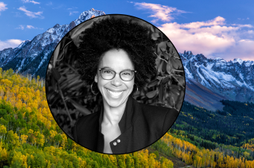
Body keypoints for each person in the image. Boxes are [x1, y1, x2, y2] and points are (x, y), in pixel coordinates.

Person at [73, 16, 179, 154]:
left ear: (135, 77)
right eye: (108, 71)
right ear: (95, 76)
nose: (116, 82)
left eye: (126, 73)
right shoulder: (82, 128)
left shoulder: (163, 122)